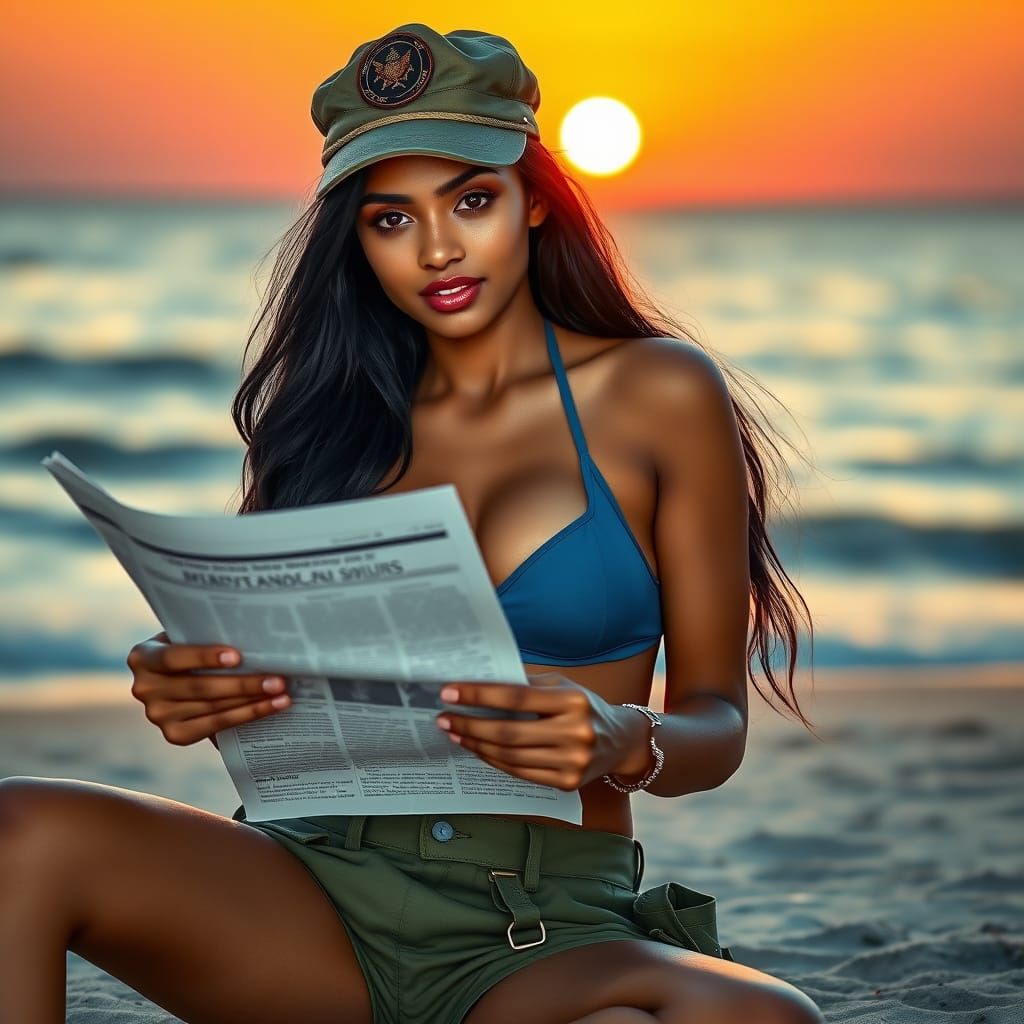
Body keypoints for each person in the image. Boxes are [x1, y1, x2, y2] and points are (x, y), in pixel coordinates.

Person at [0, 23, 825, 1024]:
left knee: (767, 1016)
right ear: (357, 238)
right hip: (306, 896)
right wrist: (202, 689)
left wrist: (624, 738)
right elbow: (293, 724)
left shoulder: (658, 392)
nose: (436, 249)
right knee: (19, 825)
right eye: (391, 218)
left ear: (534, 201)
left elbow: (716, 723)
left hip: (539, 924)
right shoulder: (323, 419)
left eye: (471, 201)